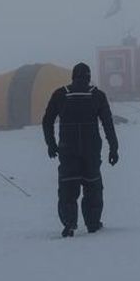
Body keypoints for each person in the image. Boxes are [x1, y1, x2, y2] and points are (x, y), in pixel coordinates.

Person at [43, 62, 119, 236]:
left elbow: (47, 121)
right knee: (93, 186)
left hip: (67, 149)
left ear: (73, 76)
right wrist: (113, 148)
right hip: (91, 149)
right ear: (89, 77)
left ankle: (69, 224)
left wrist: (51, 144)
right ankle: (92, 223)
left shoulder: (60, 94)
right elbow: (108, 124)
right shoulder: (98, 95)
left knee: (67, 187)